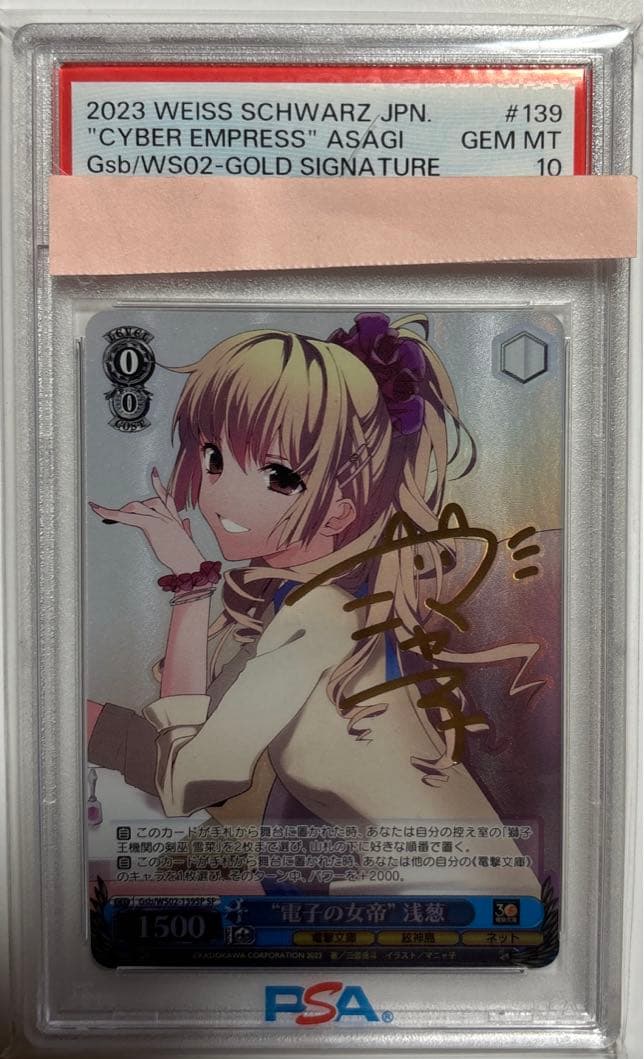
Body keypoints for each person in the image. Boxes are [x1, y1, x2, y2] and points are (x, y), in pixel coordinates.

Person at [88, 312, 546, 897]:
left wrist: (82, 721)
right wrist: (191, 583)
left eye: (279, 476)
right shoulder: (317, 608)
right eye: (213, 457)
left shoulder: (321, 617)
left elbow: (188, 781)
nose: (221, 494)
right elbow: (195, 748)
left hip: (452, 902)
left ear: (341, 508)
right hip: (424, 897)